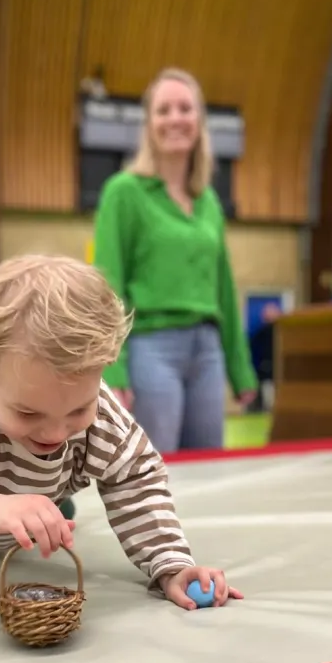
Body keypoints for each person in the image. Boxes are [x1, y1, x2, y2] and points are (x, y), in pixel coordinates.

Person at [0, 254, 244, 610]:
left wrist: (171, 564)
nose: (55, 432)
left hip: (9, 474)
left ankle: (41, 501)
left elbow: (137, 481)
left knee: (17, 512)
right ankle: (29, 502)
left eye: (79, 410)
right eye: (28, 412)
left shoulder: (103, 415)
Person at [92, 67, 257, 454]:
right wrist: (113, 368)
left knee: (209, 467)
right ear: (149, 124)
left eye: (185, 108)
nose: (175, 119)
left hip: (208, 351)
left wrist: (241, 368)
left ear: (200, 120)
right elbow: (107, 284)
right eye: (163, 110)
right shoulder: (123, 192)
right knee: (158, 467)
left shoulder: (208, 201)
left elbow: (224, 288)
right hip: (152, 347)